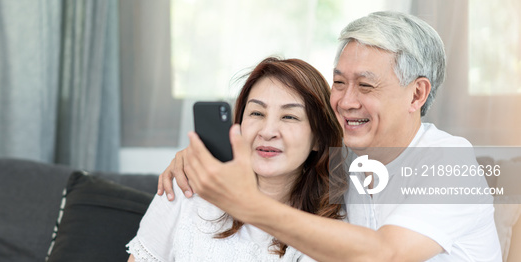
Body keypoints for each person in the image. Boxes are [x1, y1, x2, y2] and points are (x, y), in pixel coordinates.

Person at [158, 11, 502, 261]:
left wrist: (250, 204)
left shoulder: (451, 163)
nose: (346, 101)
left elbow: (383, 253)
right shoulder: (342, 159)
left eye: (366, 85)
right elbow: (281, 156)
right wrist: (195, 159)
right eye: (339, 82)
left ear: (416, 95)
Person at [127, 57, 347, 261]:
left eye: (289, 116)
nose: (268, 131)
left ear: (318, 139)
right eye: (257, 113)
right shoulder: (185, 189)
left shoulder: (336, 223)